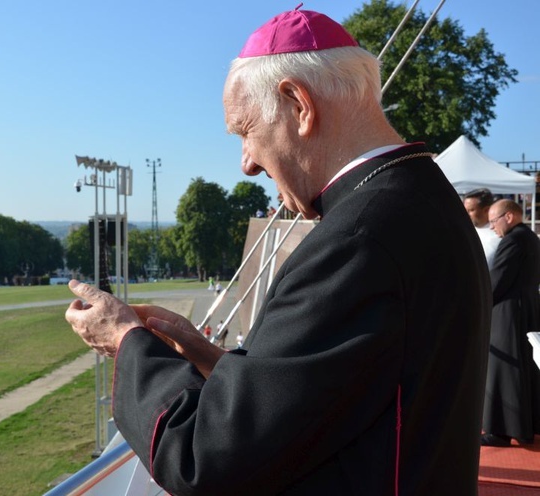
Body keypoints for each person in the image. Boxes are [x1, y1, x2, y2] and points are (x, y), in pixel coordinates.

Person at [65, 8, 490, 495]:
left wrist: (125, 341)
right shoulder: (421, 195)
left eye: (245, 130)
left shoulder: (357, 240)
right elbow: (339, 388)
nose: (246, 163)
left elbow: (204, 457)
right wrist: (206, 354)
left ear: (298, 104)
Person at [481, 199, 540, 446]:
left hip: (508, 312)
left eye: (494, 221)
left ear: (509, 217)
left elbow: (497, 281)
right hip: (527, 308)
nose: (492, 227)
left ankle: (502, 430)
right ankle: (527, 425)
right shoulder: (531, 238)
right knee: (525, 368)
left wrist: (479, 302)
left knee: (503, 369)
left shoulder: (513, 241)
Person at [463, 188, 501, 268]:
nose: (466, 215)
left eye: (471, 210)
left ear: (486, 210)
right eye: (465, 210)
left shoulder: (500, 234)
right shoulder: (465, 232)